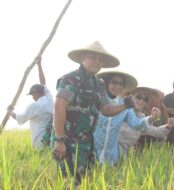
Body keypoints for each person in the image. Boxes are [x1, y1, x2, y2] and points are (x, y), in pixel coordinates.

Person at [51, 41, 136, 183]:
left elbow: (106, 109)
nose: (97, 61)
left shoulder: (99, 83)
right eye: (93, 57)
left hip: (88, 143)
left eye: (100, 59)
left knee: (87, 181)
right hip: (69, 141)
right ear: (82, 57)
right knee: (69, 182)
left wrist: (125, 106)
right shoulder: (70, 79)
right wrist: (60, 140)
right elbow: (59, 106)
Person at [93, 72, 161, 166]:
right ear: (107, 83)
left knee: (108, 178)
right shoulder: (96, 100)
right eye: (114, 82)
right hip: (93, 150)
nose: (117, 86)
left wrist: (152, 117)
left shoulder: (125, 104)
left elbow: (135, 124)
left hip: (111, 154)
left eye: (121, 84)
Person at [7, 57, 54, 149]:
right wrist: (39, 65)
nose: (32, 97)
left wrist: (9, 111)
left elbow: (20, 117)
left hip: (39, 141)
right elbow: (43, 82)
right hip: (51, 139)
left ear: (35, 93)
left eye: (32, 95)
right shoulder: (49, 99)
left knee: (40, 159)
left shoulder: (34, 106)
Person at [119, 87, 174, 158]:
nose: (142, 101)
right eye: (139, 97)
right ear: (131, 97)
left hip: (125, 154)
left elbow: (154, 131)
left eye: (145, 99)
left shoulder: (142, 117)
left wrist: (168, 126)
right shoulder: (120, 110)